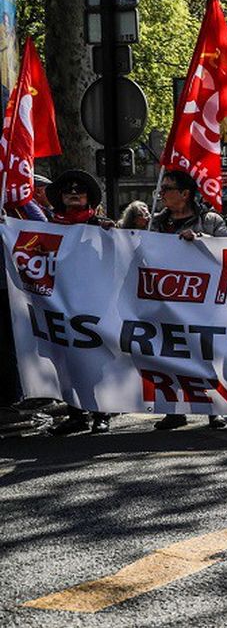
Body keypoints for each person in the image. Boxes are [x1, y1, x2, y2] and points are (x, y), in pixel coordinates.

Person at [148, 170, 227, 430]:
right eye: (161, 189)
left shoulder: (210, 221)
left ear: (185, 194)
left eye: (167, 189)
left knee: (206, 354)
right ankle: (174, 410)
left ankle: (213, 409)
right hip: (168, 300)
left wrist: (200, 241)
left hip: (204, 302)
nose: (161, 194)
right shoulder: (157, 222)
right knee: (171, 353)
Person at [44, 170, 115, 435]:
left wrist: (113, 235)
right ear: (60, 198)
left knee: (95, 359)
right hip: (59, 303)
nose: (74, 195)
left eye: (80, 192)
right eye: (68, 192)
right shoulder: (48, 226)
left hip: (94, 304)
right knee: (66, 360)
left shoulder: (103, 226)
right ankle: (76, 414)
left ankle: (101, 413)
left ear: (88, 199)